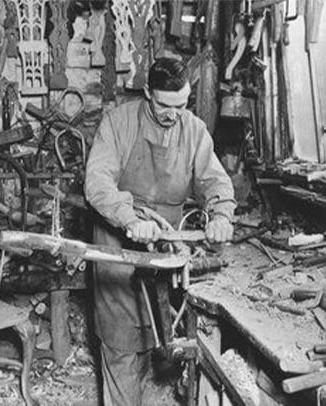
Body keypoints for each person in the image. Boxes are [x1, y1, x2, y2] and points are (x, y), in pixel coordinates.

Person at [84, 57, 236, 406]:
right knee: (121, 339)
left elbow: (215, 180)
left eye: (181, 105)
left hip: (165, 245)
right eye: (165, 105)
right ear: (148, 92)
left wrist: (221, 214)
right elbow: (98, 182)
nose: (173, 114)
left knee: (164, 334)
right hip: (119, 240)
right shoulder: (118, 122)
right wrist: (129, 219)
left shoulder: (194, 129)